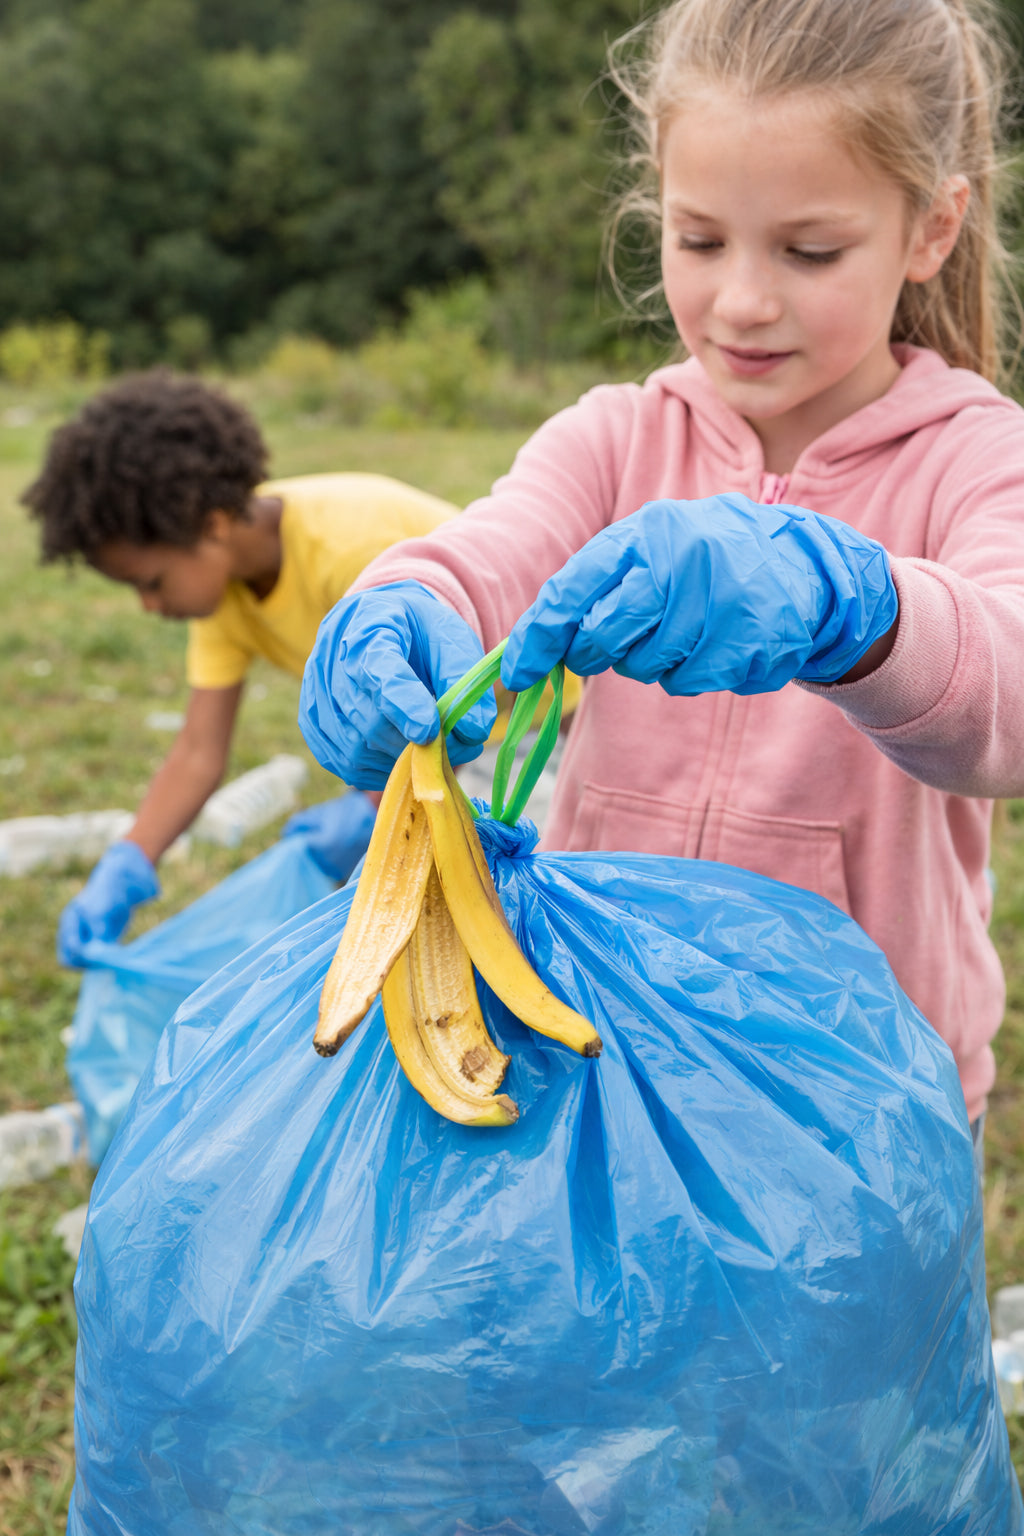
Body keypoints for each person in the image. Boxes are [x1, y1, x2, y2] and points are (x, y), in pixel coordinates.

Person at [296, 0, 1024, 1145]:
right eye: (699, 241)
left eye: (809, 251)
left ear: (930, 229)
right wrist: (405, 604)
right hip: (605, 1049)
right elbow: (495, 547)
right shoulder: (613, 440)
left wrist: (862, 613)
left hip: (858, 1097)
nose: (742, 301)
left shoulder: (977, 458)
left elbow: (1008, 701)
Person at [23, 370, 460, 964]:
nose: (148, 606)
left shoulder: (352, 552)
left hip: (533, 715)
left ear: (211, 526)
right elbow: (198, 751)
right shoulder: (224, 583)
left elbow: (443, 707)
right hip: (424, 741)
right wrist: (131, 858)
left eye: (152, 582)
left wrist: (369, 808)